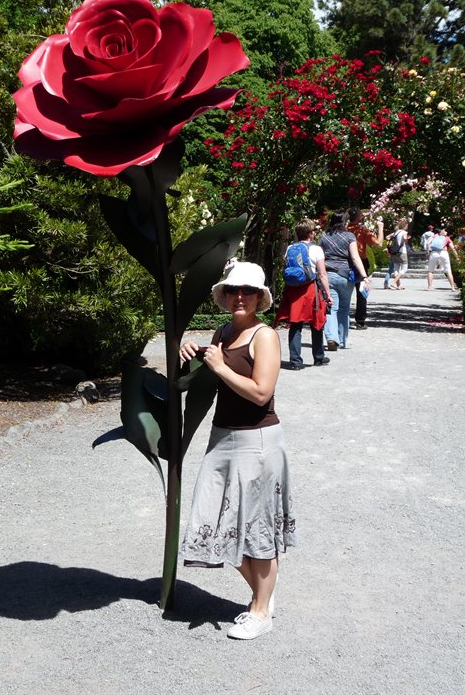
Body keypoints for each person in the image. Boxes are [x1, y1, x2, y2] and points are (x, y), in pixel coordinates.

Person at [179, 261, 296, 640]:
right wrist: (195, 353)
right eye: (233, 290)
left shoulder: (265, 336)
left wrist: (221, 366)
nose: (239, 296)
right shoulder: (223, 331)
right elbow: (213, 376)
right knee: (211, 521)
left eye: (247, 291)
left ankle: (261, 611)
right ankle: (264, 593)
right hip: (222, 437)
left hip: (257, 440)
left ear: (260, 297)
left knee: (255, 527)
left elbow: (262, 392)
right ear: (225, 296)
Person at [273, 218, 333, 369]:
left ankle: (295, 361)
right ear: (311, 233)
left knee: (295, 325)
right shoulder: (316, 249)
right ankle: (318, 357)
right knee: (316, 323)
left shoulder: (290, 248)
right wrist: (328, 294)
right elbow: (322, 274)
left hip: (293, 290)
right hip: (310, 289)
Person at [319, 212, 370, 351]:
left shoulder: (324, 236)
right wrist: (364, 276)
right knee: (344, 308)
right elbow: (355, 257)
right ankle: (341, 340)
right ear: (344, 222)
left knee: (331, 307)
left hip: (328, 275)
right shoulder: (349, 236)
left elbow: (320, 257)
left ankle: (331, 337)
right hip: (345, 276)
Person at [347, 208, 384, 329]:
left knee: (344, 292)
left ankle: (343, 318)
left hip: (346, 262)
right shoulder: (362, 231)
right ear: (358, 218)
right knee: (361, 292)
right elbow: (378, 244)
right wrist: (380, 228)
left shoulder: (345, 229)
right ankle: (360, 321)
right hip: (361, 262)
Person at [387, 218, 410, 290]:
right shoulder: (404, 232)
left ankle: (398, 285)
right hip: (401, 252)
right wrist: (406, 239)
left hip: (394, 252)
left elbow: (387, 237)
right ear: (405, 226)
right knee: (404, 269)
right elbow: (405, 240)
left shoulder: (395, 232)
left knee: (396, 269)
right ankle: (393, 283)